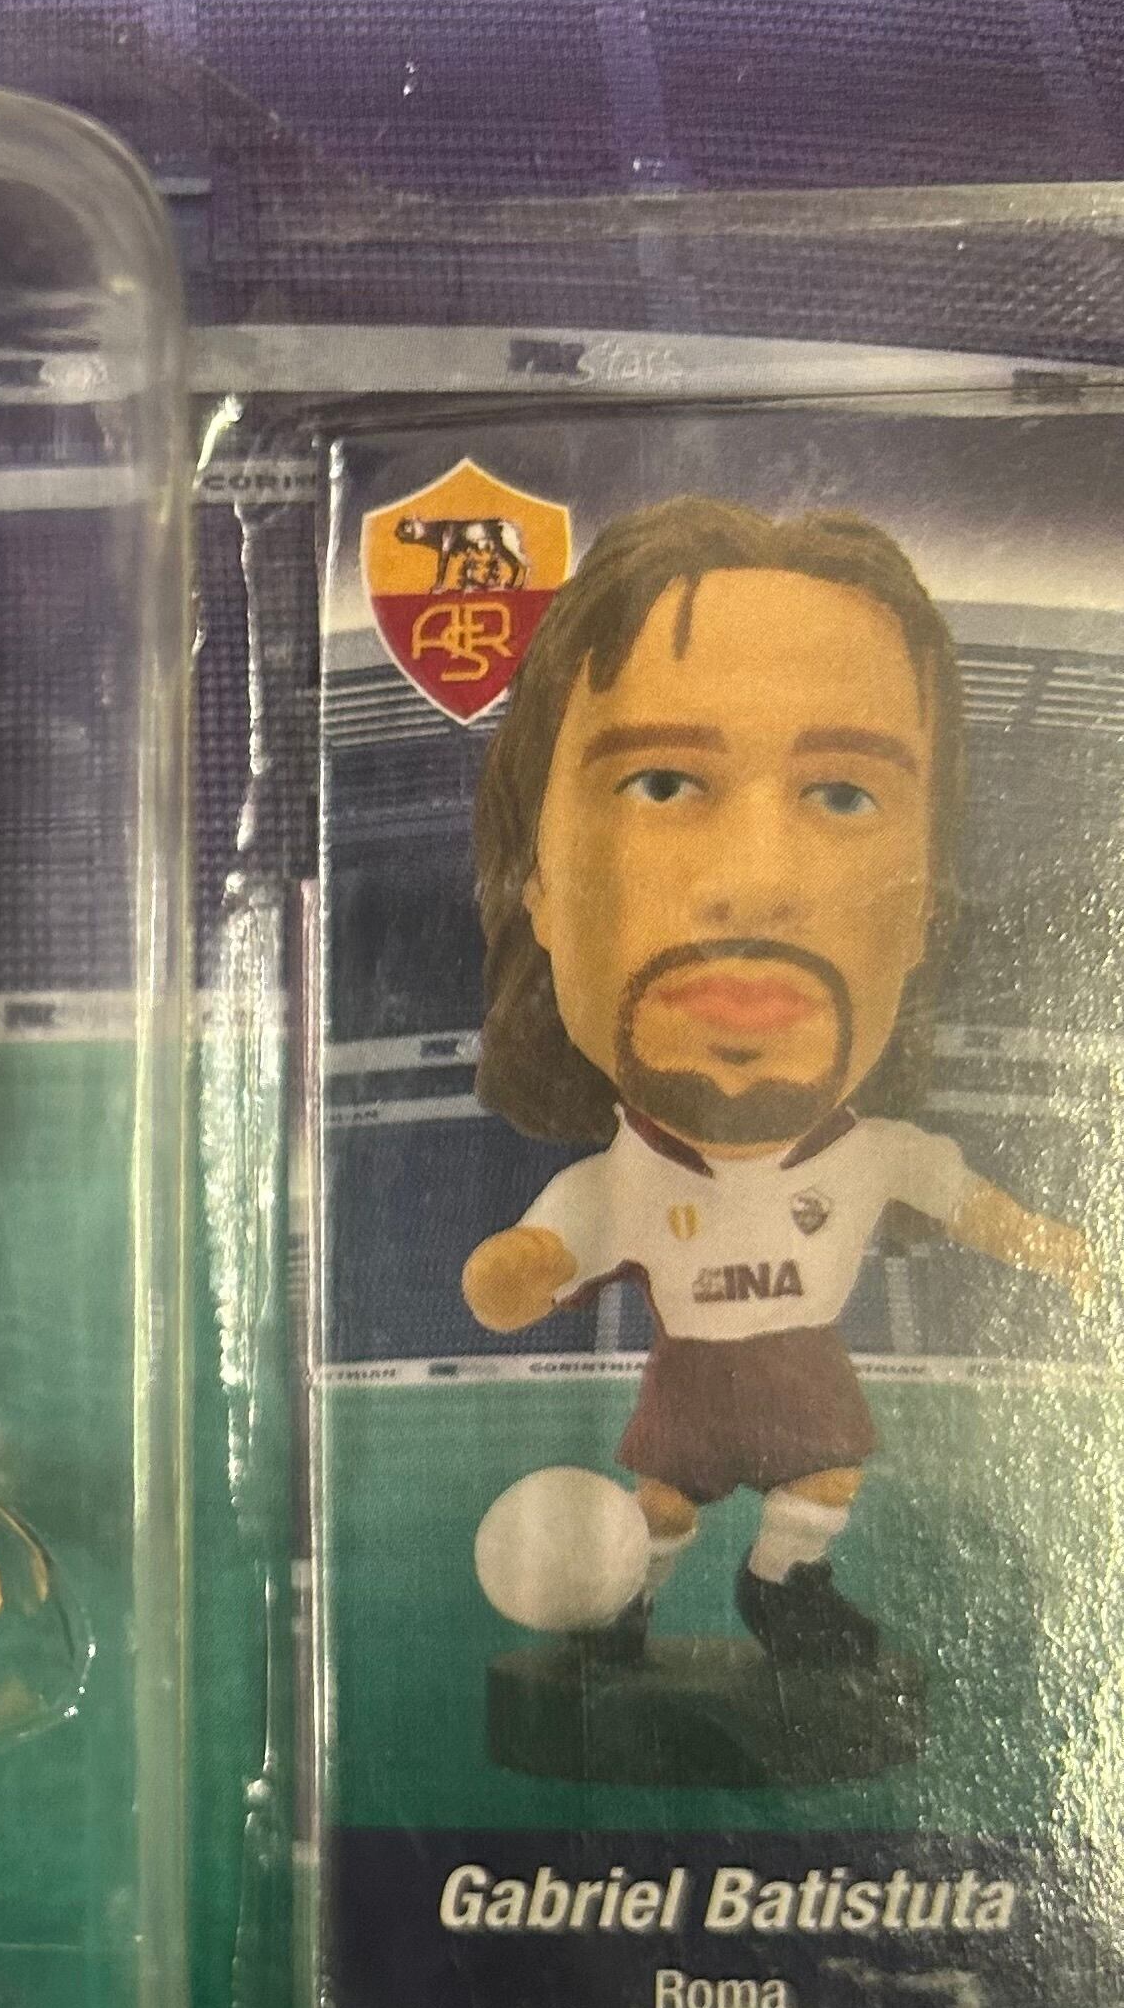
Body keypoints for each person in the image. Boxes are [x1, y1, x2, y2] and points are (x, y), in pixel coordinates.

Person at [460, 498, 1094, 1666]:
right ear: (534, 883)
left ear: (925, 908)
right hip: (695, 1369)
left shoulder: (872, 1156)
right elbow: (552, 1247)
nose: (755, 885)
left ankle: (782, 1587)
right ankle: (630, 1605)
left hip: (802, 1359)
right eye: (661, 782)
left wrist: (1046, 1242)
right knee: (665, 1504)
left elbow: (965, 1204)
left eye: (844, 794)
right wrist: (526, 1267)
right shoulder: (635, 1174)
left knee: (827, 1477)